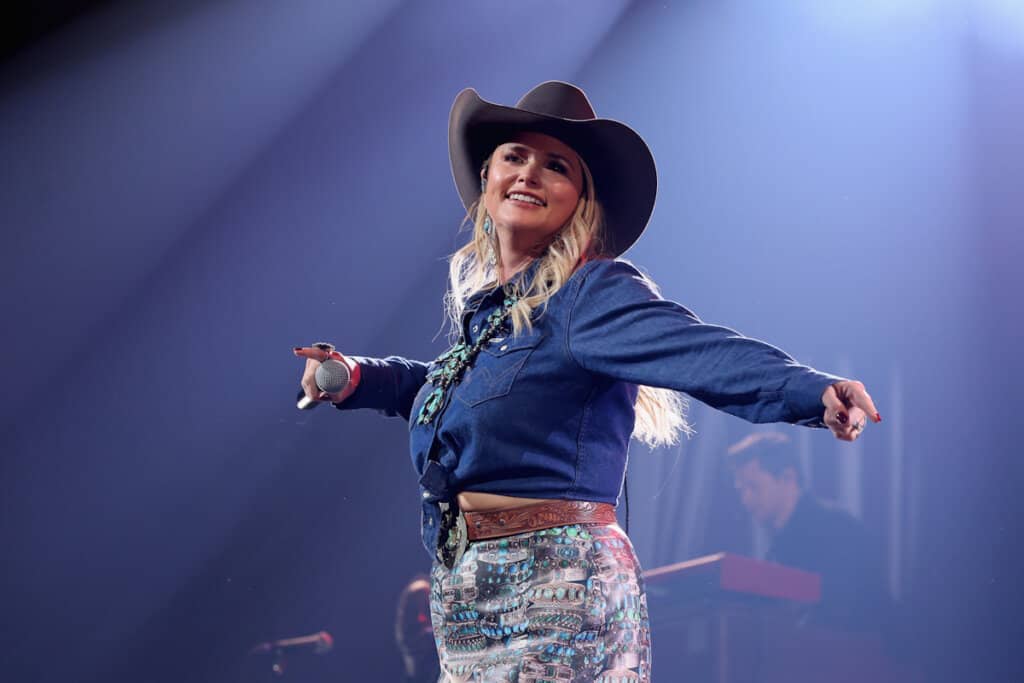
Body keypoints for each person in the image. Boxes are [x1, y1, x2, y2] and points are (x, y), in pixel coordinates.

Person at [293, 82, 881, 682]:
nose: (528, 175)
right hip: (464, 595)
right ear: (489, 175)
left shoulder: (588, 295)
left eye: (556, 167)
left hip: (557, 585)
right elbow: (443, 387)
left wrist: (811, 391)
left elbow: (697, 350)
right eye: (515, 157)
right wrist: (355, 377)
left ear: (580, 200)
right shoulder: (490, 321)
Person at [727, 432, 888, 632]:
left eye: (754, 487)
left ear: (788, 478)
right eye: (741, 490)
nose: (746, 499)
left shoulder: (836, 529)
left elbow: (846, 616)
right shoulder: (779, 544)